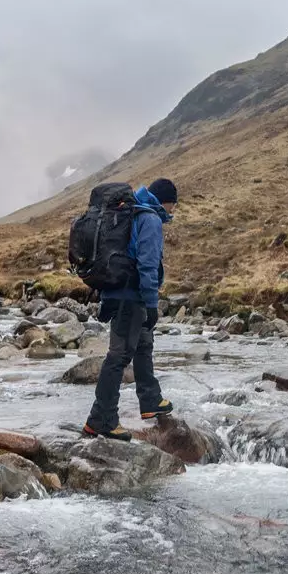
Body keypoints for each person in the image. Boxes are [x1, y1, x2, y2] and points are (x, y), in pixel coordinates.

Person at [84, 178, 179, 440]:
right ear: (166, 201)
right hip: (131, 296)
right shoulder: (150, 219)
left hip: (122, 293)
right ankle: (100, 419)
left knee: (143, 344)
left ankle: (150, 401)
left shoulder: (136, 212)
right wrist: (151, 304)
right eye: (174, 204)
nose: (173, 210)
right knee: (118, 357)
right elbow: (147, 265)